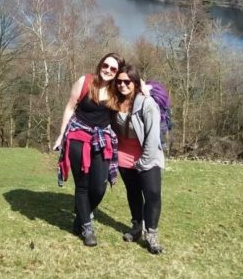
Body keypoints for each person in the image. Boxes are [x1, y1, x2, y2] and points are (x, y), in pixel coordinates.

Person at [54, 52, 124, 247]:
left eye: (113, 69)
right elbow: (70, 107)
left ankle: (79, 218)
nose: (108, 70)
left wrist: (145, 86)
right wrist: (61, 134)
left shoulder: (117, 91)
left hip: (101, 139)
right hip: (78, 136)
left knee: (99, 187)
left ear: (117, 73)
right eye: (106, 65)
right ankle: (86, 227)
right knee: (82, 185)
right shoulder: (85, 81)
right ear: (100, 64)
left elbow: (134, 84)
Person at [114, 64, 165, 254]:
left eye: (126, 81)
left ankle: (151, 234)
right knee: (133, 193)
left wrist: (144, 161)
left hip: (147, 157)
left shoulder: (146, 103)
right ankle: (136, 226)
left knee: (152, 194)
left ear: (135, 83)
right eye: (119, 81)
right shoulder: (115, 101)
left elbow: (153, 136)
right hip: (124, 157)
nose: (122, 85)